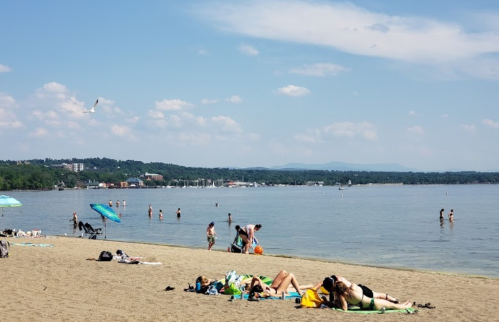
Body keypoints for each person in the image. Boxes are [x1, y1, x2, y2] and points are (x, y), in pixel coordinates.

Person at [331, 281, 412, 311]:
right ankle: (407, 305)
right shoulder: (352, 287)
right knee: (394, 306)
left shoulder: (342, 297)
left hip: (368, 307)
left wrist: (338, 304)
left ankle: (405, 304)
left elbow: (344, 309)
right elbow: (354, 285)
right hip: (374, 303)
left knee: (394, 306)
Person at [320, 275, 399, 304]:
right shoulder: (335, 281)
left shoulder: (339, 284)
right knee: (376, 297)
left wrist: (329, 302)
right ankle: (392, 300)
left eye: (329, 289)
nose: (329, 291)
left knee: (376, 295)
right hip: (357, 292)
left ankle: (393, 299)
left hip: (360, 291)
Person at [247, 270, 313, 297]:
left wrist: (259, 280)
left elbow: (254, 278)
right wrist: (286, 295)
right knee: (291, 275)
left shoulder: (257, 287)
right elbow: (276, 296)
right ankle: (300, 293)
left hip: (272, 287)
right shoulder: (265, 293)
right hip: (278, 291)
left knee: (283, 272)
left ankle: (292, 284)